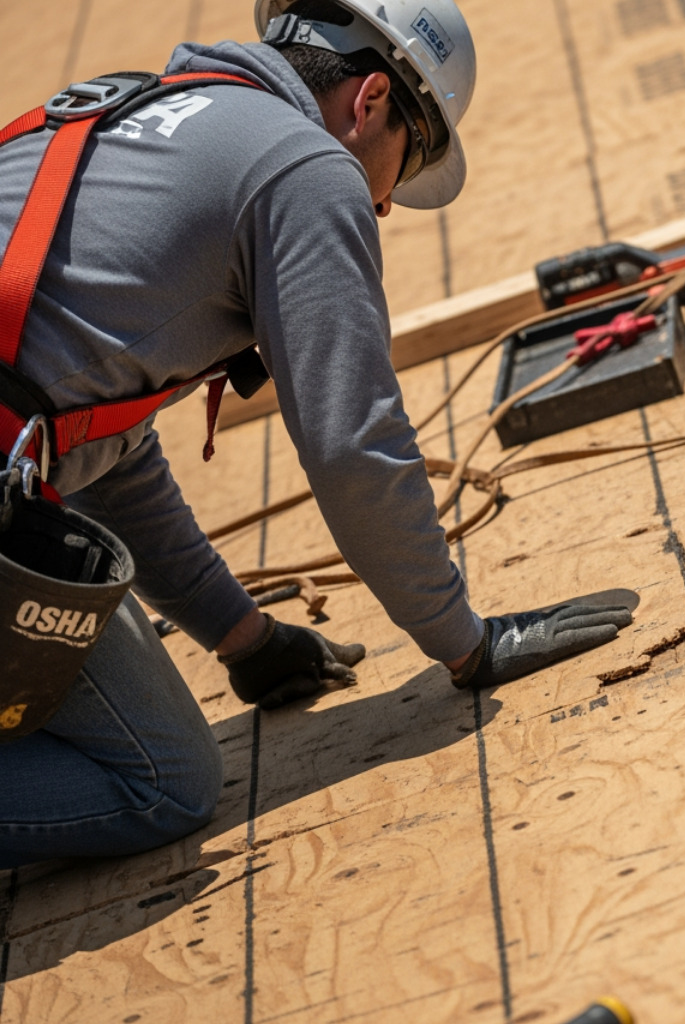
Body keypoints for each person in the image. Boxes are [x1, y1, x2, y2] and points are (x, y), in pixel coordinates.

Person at [0, 0, 632, 868]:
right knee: (164, 779)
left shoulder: (143, 107)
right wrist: (465, 641)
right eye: (398, 175)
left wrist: (241, 636)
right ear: (369, 102)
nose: (379, 209)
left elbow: (99, 450)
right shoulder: (301, 167)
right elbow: (352, 451)